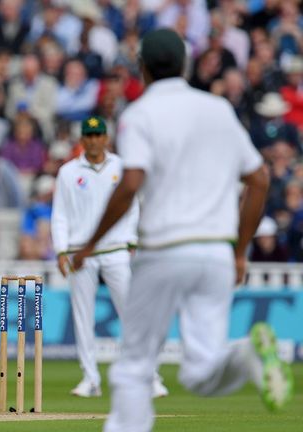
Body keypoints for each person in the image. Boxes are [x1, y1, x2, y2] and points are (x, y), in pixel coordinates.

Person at [72, 29, 293, 432]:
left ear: (142, 67)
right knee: (201, 372)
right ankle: (246, 356)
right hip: (215, 256)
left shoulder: (139, 113)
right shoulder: (218, 109)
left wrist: (90, 242)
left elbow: (132, 182)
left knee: (135, 365)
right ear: (186, 65)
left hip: (164, 251)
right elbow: (259, 179)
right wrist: (240, 251)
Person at [52, 116, 168, 398]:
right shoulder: (68, 172)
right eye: (89, 135)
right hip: (81, 254)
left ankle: (149, 376)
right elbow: (60, 215)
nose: (93, 140)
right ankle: (90, 379)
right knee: (82, 317)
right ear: (82, 140)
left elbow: (133, 206)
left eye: (98, 135)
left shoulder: (120, 167)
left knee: (132, 315)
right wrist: (61, 250)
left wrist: (131, 239)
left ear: (106, 138)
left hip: (115, 250)